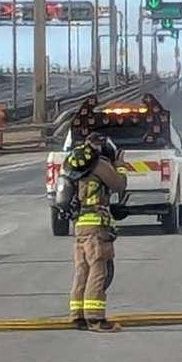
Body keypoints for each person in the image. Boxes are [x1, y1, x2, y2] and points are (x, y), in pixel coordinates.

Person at [59, 133, 127, 332]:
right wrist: (120, 165)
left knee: (82, 270)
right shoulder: (99, 165)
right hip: (96, 225)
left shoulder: (73, 162)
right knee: (98, 270)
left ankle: (76, 316)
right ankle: (95, 318)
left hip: (79, 224)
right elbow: (119, 185)